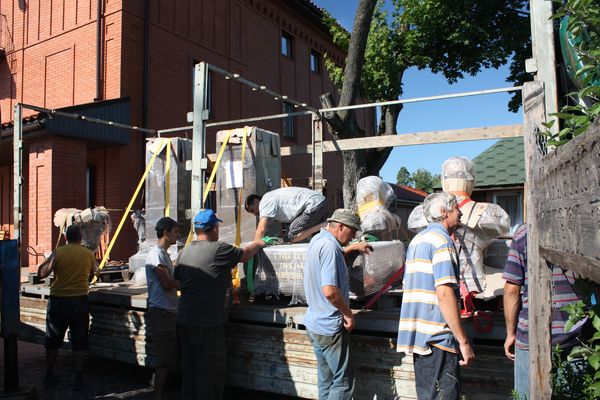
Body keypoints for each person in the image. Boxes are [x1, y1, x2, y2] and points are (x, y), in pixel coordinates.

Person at [174, 209, 265, 400]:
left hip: (184, 321)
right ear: (214, 228)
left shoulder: (183, 252)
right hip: (207, 324)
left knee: (189, 372)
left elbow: (179, 281)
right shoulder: (219, 249)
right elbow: (244, 255)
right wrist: (258, 243)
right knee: (210, 374)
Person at [396, 192, 475, 400]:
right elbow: (444, 294)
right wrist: (463, 341)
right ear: (443, 212)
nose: (460, 212)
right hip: (438, 338)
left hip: (422, 339)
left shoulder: (417, 240)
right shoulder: (442, 242)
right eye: (456, 208)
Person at [502, 224, 583, 399]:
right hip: (577, 336)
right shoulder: (580, 228)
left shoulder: (524, 232)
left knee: (526, 395)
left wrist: (510, 333)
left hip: (531, 336)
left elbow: (511, 289)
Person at [303, 208, 373, 400]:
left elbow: (333, 256)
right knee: (343, 381)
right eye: (352, 232)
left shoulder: (318, 240)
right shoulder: (330, 248)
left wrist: (352, 248)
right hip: (330, 327)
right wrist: (348, 314)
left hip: (315, 323)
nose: (353, 237)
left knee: (326, 380)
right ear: (341, 227)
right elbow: (330, 291)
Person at [37, 224, 98, 391]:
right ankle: (78, 377)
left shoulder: (58, 252)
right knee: (79, 340)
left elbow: (41, 273)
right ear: (81, 238)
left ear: (66, 237)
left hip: (58, 301)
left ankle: (49, 374)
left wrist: (49, 259)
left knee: (53, 339)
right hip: (79, 301)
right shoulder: (88, 254)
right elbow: (93, 273)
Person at [145, 217, 180, 400]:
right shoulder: (156, 254)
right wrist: (185, 281)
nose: (178, 235)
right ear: (165, 233)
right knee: (162, 359)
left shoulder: (165, 254)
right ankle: (158, 395)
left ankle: (160, 391)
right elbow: (166, 283)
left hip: (169, 310)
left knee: (167, 356)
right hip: (162, 311)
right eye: (175, 232)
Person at [244, 186, 328, 243]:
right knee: (317, 238)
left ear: (256, 201)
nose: (254, 214)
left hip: (313, 205)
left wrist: (254, 246)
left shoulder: (265, 202)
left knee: (289, 237)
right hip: (320, 201)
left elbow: (261, 229)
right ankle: (323, 228)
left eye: (252, 210)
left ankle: (323, 225)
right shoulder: (271, 197)